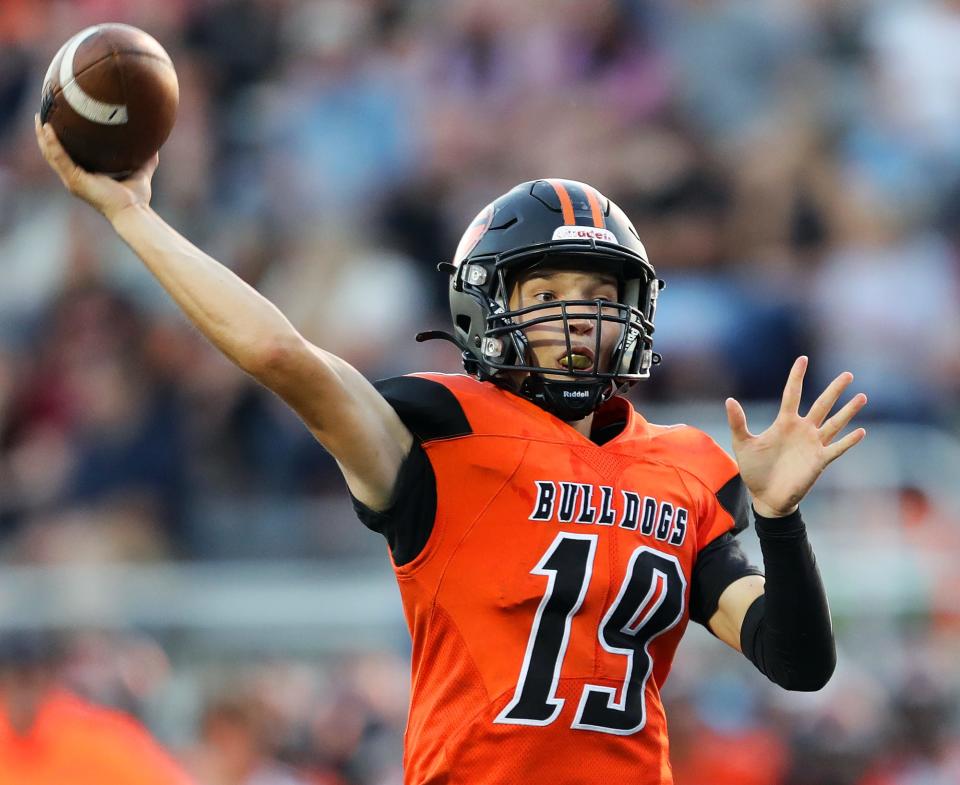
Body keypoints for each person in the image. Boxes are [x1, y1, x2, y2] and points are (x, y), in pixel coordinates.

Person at [36, 118, 866, 785]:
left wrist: (780, 519)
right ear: (487, 309)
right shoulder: (444, 433)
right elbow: (281, 354)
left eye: (599, 294)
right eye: (546, 294)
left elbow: (796, 660)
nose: (579, 319)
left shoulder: (685, 469)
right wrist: (131, 215)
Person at [0, 630, 192, 785]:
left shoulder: (103, 739)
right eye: (16, 680)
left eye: (29, 680)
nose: (23, 698)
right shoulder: (104, 736)